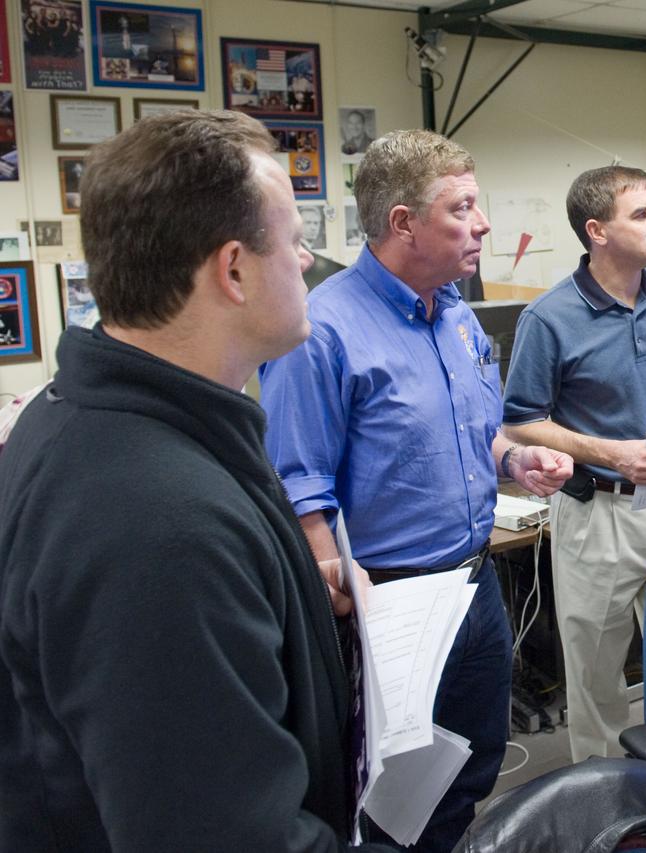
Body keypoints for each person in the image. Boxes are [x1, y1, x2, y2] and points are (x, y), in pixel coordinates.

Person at [0, 110, 393, 851]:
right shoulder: (159, 524)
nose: (307, 261)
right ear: (233, 269)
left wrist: (287, 596)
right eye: (295, 240)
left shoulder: (91, 418)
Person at [259, 129, 573, 853]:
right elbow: (299, 484)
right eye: (462, 208)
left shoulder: (455, 313)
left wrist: (516, 458)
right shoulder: (322, 330)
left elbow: (472, 433)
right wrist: (340, 607)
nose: (483, 223)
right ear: (403, 223)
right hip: (388, 603)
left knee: (468, 769)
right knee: (389, 800)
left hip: (475, 587)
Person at [502, 166, 646, 763]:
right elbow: (521, 421)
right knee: (597, 674)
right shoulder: (548, 318)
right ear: (597, 231)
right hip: (597, 517)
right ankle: (605, 795)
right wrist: (614, 454)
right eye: (642, 214)